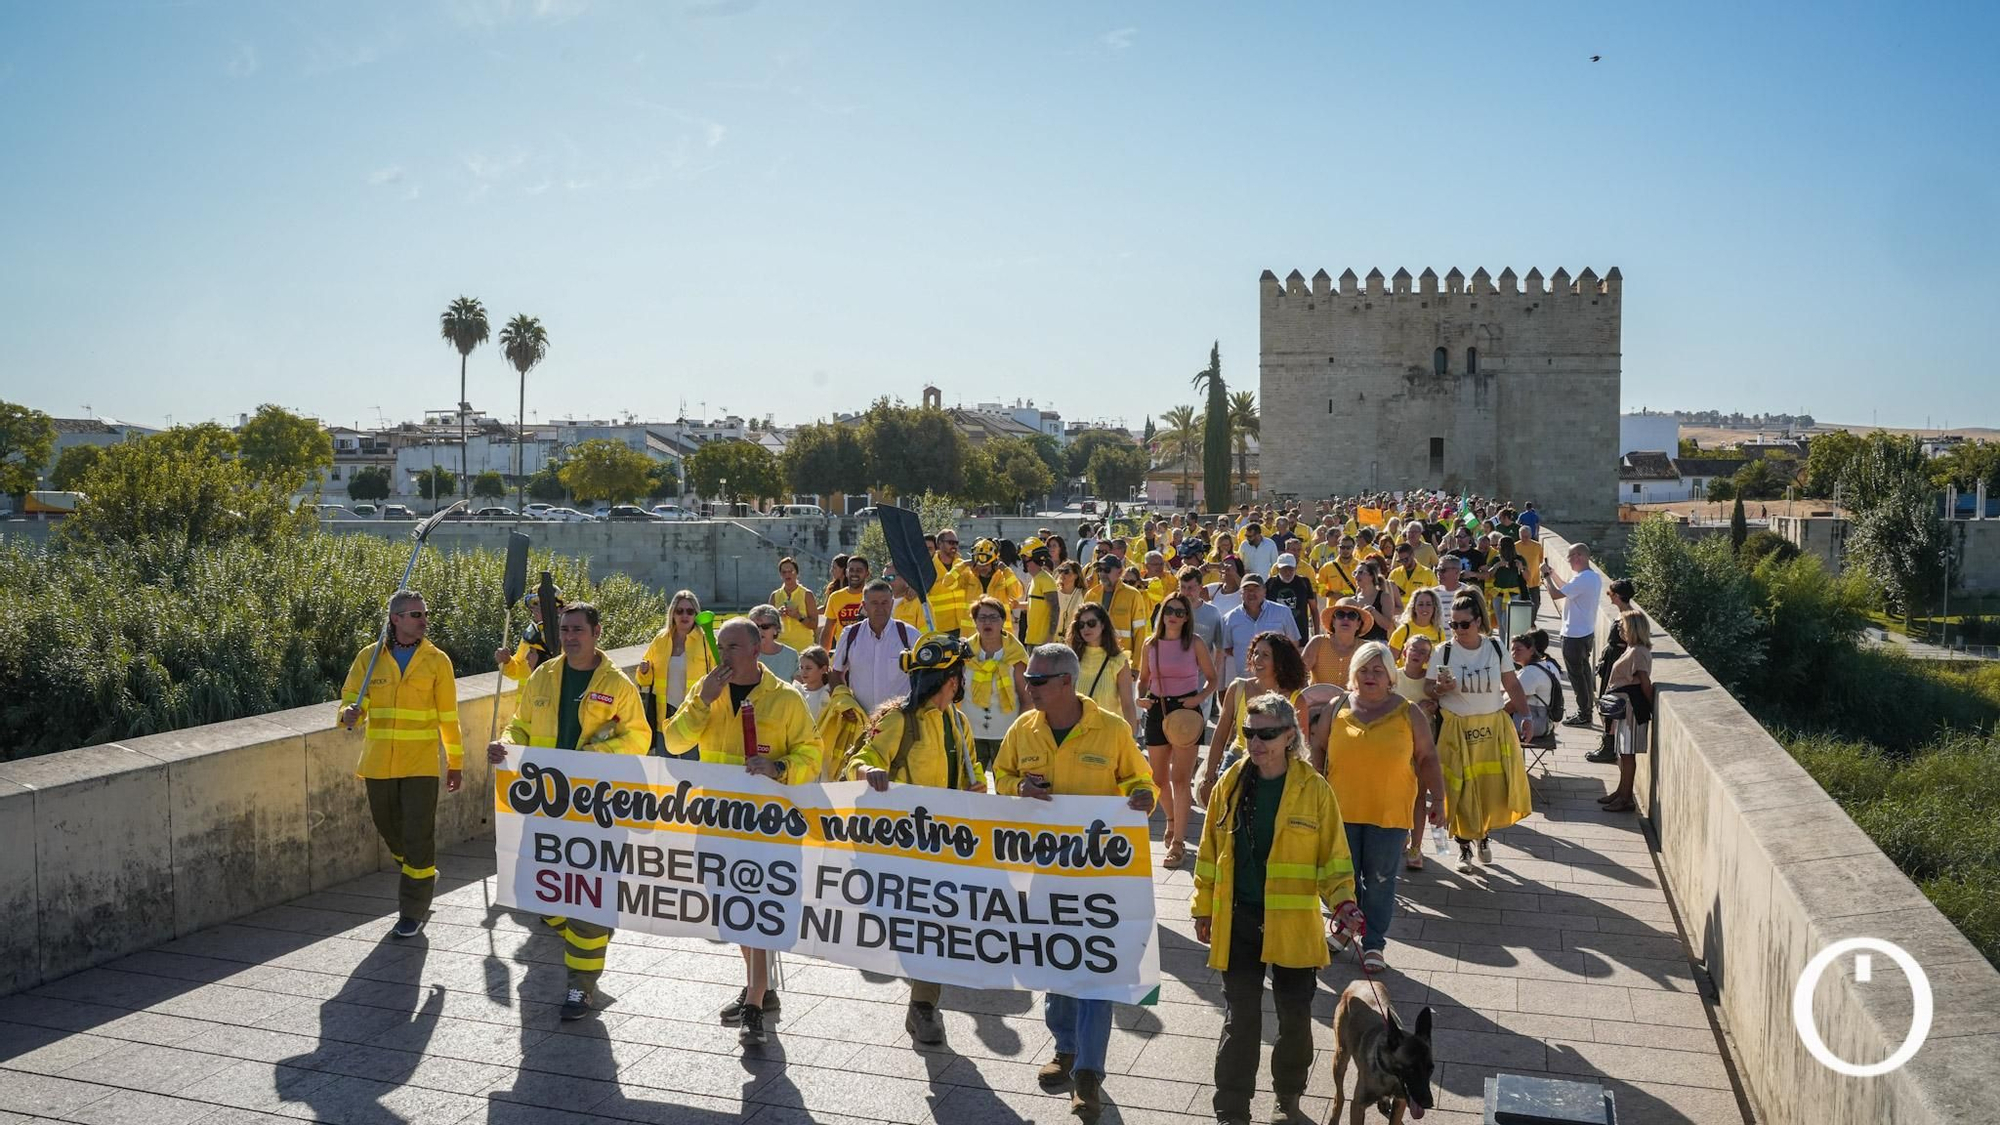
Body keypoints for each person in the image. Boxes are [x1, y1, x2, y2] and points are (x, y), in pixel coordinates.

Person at [995, 644, 1157, 1124]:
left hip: (1100, 878)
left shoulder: (1111, 729)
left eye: (1038, 681)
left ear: (1067, 682)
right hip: (1045, 873)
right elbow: (1001, 776)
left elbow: (1137, 779)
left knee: (1094, 973)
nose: (1029, 687)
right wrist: (1016, 789)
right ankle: (1064, 1047)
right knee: (1057, 965)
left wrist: (1142, 795)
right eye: (1028, 678)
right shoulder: (1023, 729)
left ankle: (1088, 1074)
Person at [1192, 692, 1360, 1125]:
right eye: (1249, 733)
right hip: (1239, 920)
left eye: (1266, 734)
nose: (1256, 742)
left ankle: (1287, 1098)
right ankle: (1231, 1107)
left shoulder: (1313, 789)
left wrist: (1343, 902)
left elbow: (1334, 857)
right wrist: (1202, 908)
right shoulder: (1230, 783)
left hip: (1293, 925)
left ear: (1289, 736)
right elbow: (1208, 853)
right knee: (1241, 1018)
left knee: (1294, 1018)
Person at [484, 602, 649, 1020]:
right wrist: (506, 743)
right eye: (564, 629)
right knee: (542, 888)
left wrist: (597, 752)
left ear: (596, 631)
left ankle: (581, 986)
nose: (570, 636)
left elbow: (639, 738)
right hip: (546, 803)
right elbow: (520, 724)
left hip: (595, 806)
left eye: (577, 628)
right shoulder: (544, 675)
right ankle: (584, 932)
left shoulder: (617, 683)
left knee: (588, 900)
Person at [664, 618, 821, 1045]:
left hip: (766, 828)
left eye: (732, 647)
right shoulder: (706, 690)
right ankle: (761, 987)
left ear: (757, 649)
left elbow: (812, 753)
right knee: (733, 910)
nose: (723, 655)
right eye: (719, 647)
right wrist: (702, 702)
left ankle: (754, 1002)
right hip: (715, 820)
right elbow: (674, 741)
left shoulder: (786, 699)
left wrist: (780, 767)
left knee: (759, 909)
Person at [846, 633, 982, 1044]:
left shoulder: (959, 723)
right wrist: (867, 771)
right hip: (900, 849)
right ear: (952, 680)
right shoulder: (896, 721)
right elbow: (862, 759)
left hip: (944, 847)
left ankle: (923, 1006)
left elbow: (971, 769)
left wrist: (977, 791)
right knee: (913, 930)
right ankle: (921, 998)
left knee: (935, 929)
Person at [339, 589, 464, 940]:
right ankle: (420, 872)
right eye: (416, 615)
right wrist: (348, 713)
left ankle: (412, 910)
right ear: (395, 619)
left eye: (424, 614)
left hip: (421, 764)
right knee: (388, 829)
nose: (424, 620)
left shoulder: (437, 661)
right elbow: (352, 699)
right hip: (378, 762)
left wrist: (455, 762)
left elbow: (449, 718)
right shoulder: (370, 657)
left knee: (418, 835)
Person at [1323, 643, 1445, 974]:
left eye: (1378, 670)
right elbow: (1318, 750)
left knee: (1379, 879)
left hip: (1388, 814)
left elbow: (1428, 757)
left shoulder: (1408, 711)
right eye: (1363, 670)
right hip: (1339, 811)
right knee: (1341, 878)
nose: (1370, 676)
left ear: (1391, 675)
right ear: (1353, 674)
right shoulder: (1337, 707)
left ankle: (1373, 942)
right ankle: (1348, 925)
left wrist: (1438, 799)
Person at [1428, 591, 1532, 874]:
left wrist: (1526, 715)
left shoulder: (1496, 647)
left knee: (1489, 788)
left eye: (1464, 624)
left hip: (1491, 727)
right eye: (1453, 625)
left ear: (1478, 621)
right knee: (1459, 789)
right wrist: (1440, 689)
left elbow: (1512, 685)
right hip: (1457, 729)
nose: (1459, 631)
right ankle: (1464, 848)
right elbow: (1429, 689)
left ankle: (1483, 836)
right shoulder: (1444, 651)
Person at [1139, 592, 1219, 867]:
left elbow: (1212, 679)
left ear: (1187, 618)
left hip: (1185, 712)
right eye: (1169, 610)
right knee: (1159, 778)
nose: (1174, 615)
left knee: (1180, 779)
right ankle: (1172, 821)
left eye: (1180, 612)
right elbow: (1143, 679)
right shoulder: (1150, 644)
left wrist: (1198, 699)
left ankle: (1178, 842)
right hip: (1157, 709)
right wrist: (1140, 697)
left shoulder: (1194, 643)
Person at [1199, 632, 1309, 807]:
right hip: (1236, 761)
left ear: (1280, 662)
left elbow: (1300, 747)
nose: (1257, 659)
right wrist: (1209, 776)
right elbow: (1220, 735)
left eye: (1265, 655)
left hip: (1277, 766)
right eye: (1255, 653)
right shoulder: (1238, 688)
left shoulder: (1296, 699)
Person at [634, 589, 716, 751]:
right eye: (679, 611)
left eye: (690, 611)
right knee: (665, 768)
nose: (684, 616)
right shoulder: (661, 640)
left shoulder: (706, 640)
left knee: (692, 768)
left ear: (696, 614)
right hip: (665, 715)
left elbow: (718, 673)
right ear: (672, 613)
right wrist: (644, 671)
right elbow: (644, 680)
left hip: (694, 712)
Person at [963, 595, 1030, 775]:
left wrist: (1020, 731)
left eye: (993, 617)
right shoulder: (964, 653)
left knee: (1005, 789)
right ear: (975, 622)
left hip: (1006, 732)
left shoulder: (1016, 654)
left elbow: (1026, 698)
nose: (988, 622)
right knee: (970, 789)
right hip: (971, 732)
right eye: (982, 618)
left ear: (1002, 621)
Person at [831, 578, 917, 715]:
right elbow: (836, 674)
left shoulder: (909, 635)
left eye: (884, 603)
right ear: (864, 606)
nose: (880, 608)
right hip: (861, 723)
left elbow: (924, 675)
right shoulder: (850, 635)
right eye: (874, 603)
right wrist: (845, 704)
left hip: (900, 723)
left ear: (892, 603)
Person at [1597, 611, 1655, 813]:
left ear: (1634, 628)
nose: (1620, 630)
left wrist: (1650, 709)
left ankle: (1626, 798)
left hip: (1632, 708)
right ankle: (1621, 792)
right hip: (1624, 708)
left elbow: (1645, 683)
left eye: (1623, 626)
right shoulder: (1631, 648)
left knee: (1628, 755)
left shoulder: (1638, 651)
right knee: (1623, 753)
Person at [1543, 542, 1605, 729]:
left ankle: (1584, 713)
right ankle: (1586, 709)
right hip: (1585, 632)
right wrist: (1553, 573)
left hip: (1574, 635)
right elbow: (1567, 589)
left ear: (1579, 556)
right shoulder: (1591, 577)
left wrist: (1545, 576)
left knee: (1577, 676)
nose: (1568, 560)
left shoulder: (1583, 579)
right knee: (1584, 673)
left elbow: (1555, 594)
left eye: (1570, 557)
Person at [1587, 579, 1639, 765]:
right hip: (1612, 661)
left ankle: (1608, 748)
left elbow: (1633, 644)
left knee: (1611, 703)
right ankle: (1606, 744)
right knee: (1606, 701)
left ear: (1617, 596)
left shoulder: (1629, 616)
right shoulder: (1624, 614)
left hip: (1617, 663)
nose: (1609, 598)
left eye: (1610, 594)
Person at [1068, 601, 1141, 733]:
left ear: (1102, 625)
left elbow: (1128, 704)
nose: (1086, 628)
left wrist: (1131, 739)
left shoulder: (1118, 661)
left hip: (1109, 736)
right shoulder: (1071, 660)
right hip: (1079, 735)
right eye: (1081, 625)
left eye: (1091, 623)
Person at [1220, 573, 1299, 689]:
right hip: (1245, 685)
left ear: (1264, 591)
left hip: (1279, 683)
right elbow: (1227, 649)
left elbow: (1294, 644)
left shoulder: (1283, 613)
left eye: (1256, 589)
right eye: (1246, 589)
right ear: (1241, 593)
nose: (1251, 593)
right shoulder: (1229, 618)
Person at [1083, 554, 1152, 655]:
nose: (1102, 573)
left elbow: (1140, 633)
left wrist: (1136, 666)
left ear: (1120, 572)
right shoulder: (1091, 595)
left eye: (1106, 570)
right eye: (1099, 570)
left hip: (1122, 658)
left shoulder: (1133, 595)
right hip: (1095, 656)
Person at [495, 585, 561, 681]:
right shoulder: (531, 634)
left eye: (540, 603)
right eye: (532, 603)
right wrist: (507, 662)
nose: (534, 608)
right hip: (527, 695)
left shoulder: (566, 634)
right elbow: (518, 669)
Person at [1303, 596, 1370, 687]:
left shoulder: (1366, 649)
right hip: (1318, 700)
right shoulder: (1318, 643)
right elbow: (1299, 675)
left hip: (1353, 700)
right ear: (1333, 621)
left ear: (1358, 624)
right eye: (1340, 614)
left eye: (1352, 615)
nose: (1346, 619)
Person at [1511, 629, 1562, 743]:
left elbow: (1514, 703)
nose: (1514, 653)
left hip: (1536, 723)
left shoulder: (1530, 672)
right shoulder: (1544, 665)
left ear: (1531, 650)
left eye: (1518, 649)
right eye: (1512, 649)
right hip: (1545, 721)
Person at [820, 555, 871, 649]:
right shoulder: (835, 597)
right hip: (843, 654)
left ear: (867, 574)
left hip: (868, 652)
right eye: (851, 570)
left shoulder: (874, 596)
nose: (854, 574)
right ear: (846, 572)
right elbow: (828, 631)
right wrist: (822, 658)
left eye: (859, 570)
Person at [1264, 553, 1319, 639]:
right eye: (1284, 569)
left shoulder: (1304, 582)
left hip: (1301, 635)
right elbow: (1263, 610)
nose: (1287, 572)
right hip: (1277, 637)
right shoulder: (1270, 584)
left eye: (1290, 569)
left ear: (1295, 568)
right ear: (1278, 569)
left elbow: (1314, 610)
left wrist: (1316, 635)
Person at [770, 556, 819, 654]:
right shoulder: (775, 596)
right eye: (784, 572)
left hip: (803, 648)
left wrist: (798, 616)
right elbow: (768, 626)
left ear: (797, 573)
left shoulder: (807, 594)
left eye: (791, 571)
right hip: (781, 647)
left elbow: (814, 625)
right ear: (780, 575)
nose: (787, 575)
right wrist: (778, 616)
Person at [928, 530, 971, 635]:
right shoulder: (928, 568)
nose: (954, 546)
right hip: (941, 627)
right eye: (951, 542)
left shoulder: (964, 565)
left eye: (956, 543)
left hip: (964, 625)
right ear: (939, 544)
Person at [1021, 537, 1063, 645]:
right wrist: (1017, 605)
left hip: (1042, 642)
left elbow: (1055, 608)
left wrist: (1050, 637)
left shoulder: (1046, 580)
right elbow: (1036, 605)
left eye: (1024, 557)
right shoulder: (1035, 579)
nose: (1023, 561)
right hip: (1032, 640)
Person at [748, 604, 800, 682]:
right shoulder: (744, 654)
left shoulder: (791, 655)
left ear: (776, 629)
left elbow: (799, 686)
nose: (759, 631)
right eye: (755, 626)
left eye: (765, 627)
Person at [1352, 559, 1397, 642]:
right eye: (1355, 573)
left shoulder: (1384, 597)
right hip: (1358, 644)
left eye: (1361, 573)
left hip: (1377, 644)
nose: (1357, 576)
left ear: (1372, 576)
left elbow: (1388, 625)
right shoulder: (1353, 600)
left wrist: (1373, 611)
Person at [1389, 587, 1445, 653]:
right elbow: (1390, 660)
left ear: (1434, 608)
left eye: (1428, 604)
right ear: (1414, 608)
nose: (1424, 608)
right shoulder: (1404, 630)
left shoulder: (1439, 631)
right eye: (1420, 604)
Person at [795, 645, 834, 722]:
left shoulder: (829, 693)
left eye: (808, 668)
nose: (803, 672)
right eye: (801, 667)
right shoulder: (796, 690)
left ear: (823, 669)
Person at [1207, 555, 1247, 621]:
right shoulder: (1216, 588)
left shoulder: (1242, 590)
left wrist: (1233, 573)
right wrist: (1201, 572)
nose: (1226, 568)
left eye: (1230, 565)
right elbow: (1194, 591)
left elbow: (1246, 590)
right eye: (1224, 565)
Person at [1053, 560, 1084, 637]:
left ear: (1076, 575)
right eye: (1060, 571)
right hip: (1053, 638)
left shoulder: (1083, 594)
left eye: (1066, 571)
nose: (1062, 574)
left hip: (1073, 638)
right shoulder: (1054, 593)